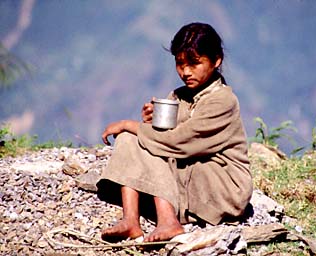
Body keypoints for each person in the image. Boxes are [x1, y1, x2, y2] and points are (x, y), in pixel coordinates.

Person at [97, 22, 253, 243]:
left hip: (221, 190)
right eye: (180, 64)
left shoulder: (223, 100)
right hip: (192, 179)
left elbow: (177, 143)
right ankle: (130, 220)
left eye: (195, 63)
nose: (185, 72)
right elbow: (159, 134)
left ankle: (169, 221)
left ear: (216, 60)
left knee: (151, 143)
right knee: (129, 139)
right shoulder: (179, 96)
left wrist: (127, 124)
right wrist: (150, 120)